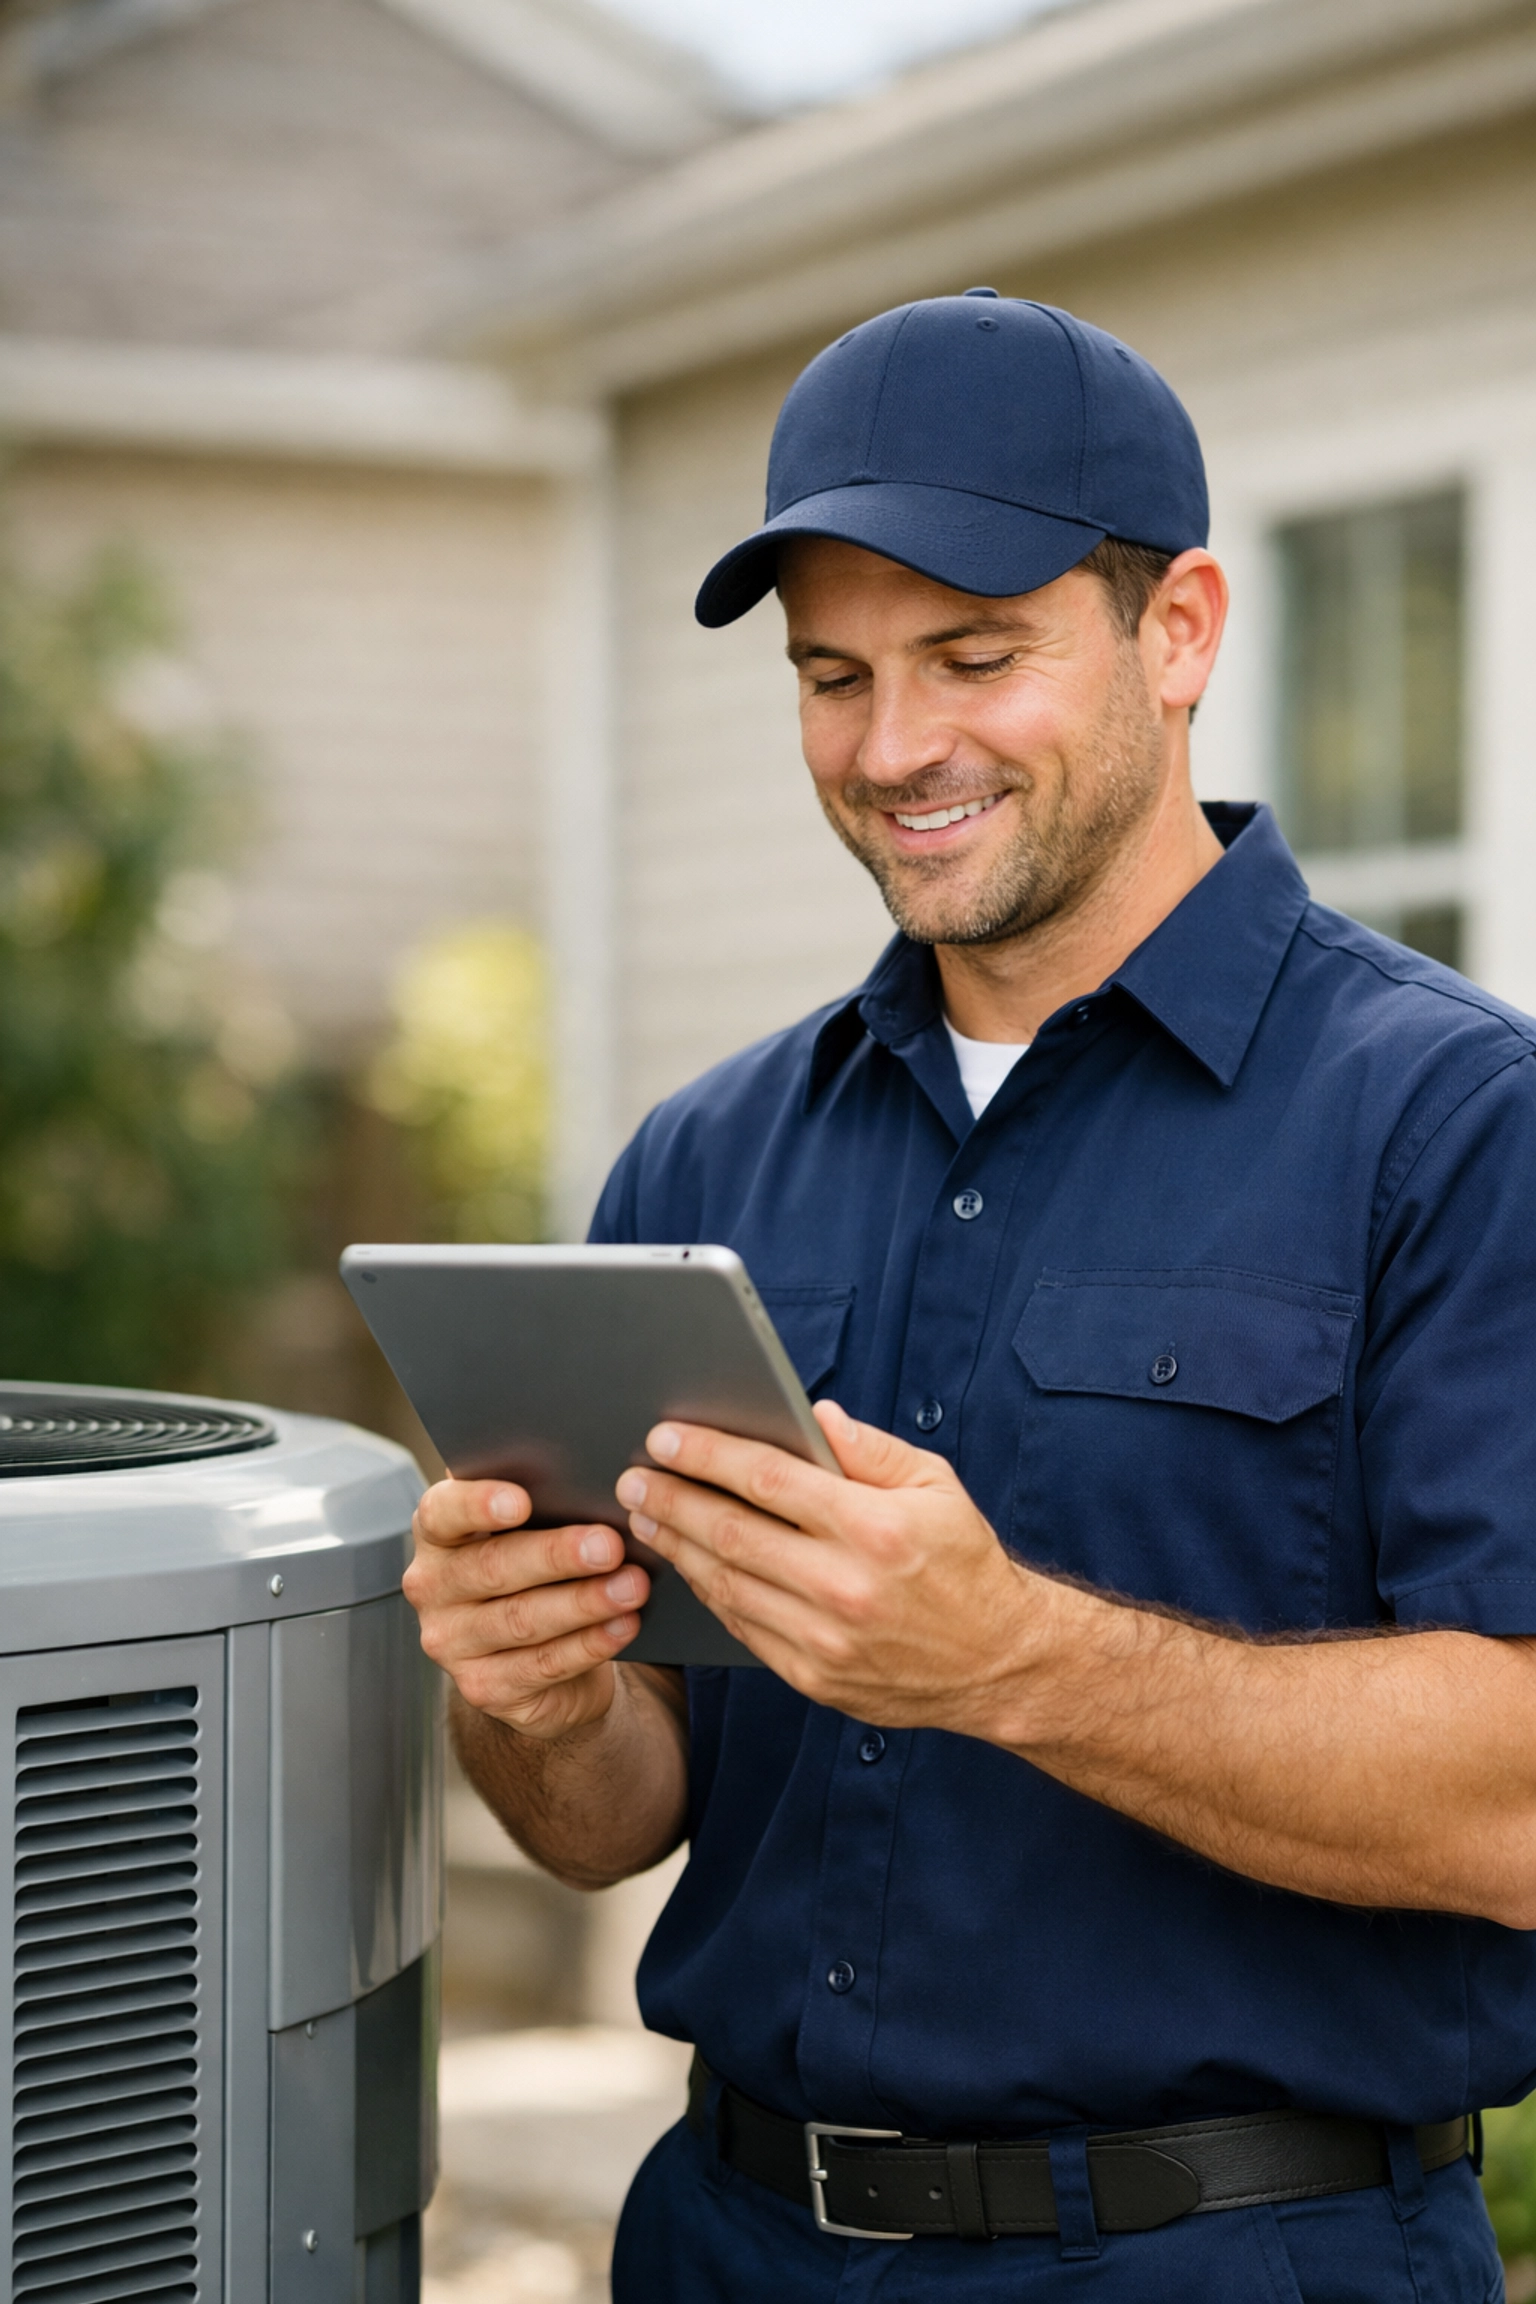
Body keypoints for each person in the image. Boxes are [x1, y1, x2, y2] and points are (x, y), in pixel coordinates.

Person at [404, 291, 1536, 2300]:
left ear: (1179, 631)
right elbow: (607, 1818)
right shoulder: (701, 1163)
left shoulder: (1455, 1124)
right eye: (832, 676)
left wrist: (1008, 1655)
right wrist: (535, 1695)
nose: (894, 747)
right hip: (724, 2247)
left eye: (975, 657)